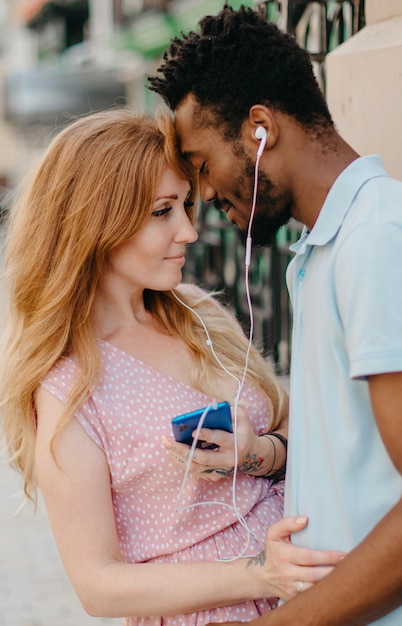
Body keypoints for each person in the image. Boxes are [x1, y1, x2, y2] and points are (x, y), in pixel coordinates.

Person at [0, 108, 343, 626]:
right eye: (162, 211)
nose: (189, 232)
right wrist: (258, 573)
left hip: (311, 594)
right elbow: (98, 585)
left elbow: (288, 417)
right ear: (96, 223)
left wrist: (258, 455)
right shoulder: (69, 388)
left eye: (185, 205)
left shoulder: (198, 312)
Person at [147, 4, 402, 626]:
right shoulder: (322, 252)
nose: (204, 195)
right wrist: (268, 452)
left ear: (260, 128)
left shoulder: (375, 238)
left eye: (203, 165)